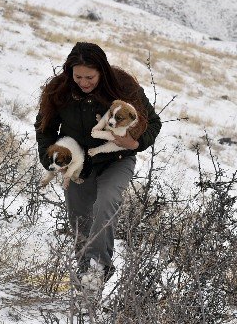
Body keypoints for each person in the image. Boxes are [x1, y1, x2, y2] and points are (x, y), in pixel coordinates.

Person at [35, 42, 161, 294]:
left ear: (102, 71)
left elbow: (154, 123)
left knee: (106, 203)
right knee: (79, 219)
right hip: (79, 163)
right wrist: (50, 161)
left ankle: (97, 269)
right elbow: (44, 129)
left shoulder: (124, 86)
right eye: (78, 76)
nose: (83, 82)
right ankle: (86, 278)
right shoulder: (58, 90)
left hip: (116, 160)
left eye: (89, 77)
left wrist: (135, 142)